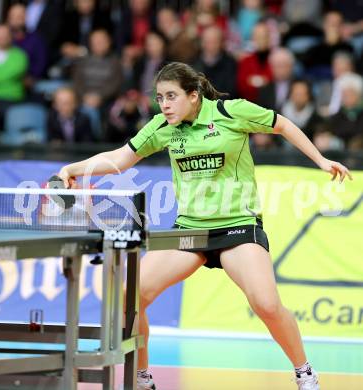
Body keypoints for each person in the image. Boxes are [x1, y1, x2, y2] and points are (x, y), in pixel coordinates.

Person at [56, 62, 352, 390]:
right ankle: (141, 377)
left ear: (193, 96)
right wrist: (74, 168)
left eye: (171, 96)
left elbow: (282, 125)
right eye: (160, 98)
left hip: (238, 226)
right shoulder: (163, 126)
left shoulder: (231, 111)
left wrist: (321, 160)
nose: (164, 104)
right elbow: (120, 159)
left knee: (266, 303)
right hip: (191, 230)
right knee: (131, 297)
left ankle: (304, 371)